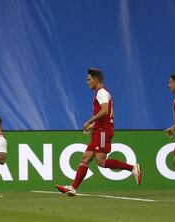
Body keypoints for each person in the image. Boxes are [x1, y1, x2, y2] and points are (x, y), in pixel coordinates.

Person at [56, 68, 141, 196]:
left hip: (102, 132)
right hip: (99, 129)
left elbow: (105, 110)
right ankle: (73, 188)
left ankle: (133, 168)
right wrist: (94, 126)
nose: (87, 82)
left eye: (89, 79)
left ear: (96, 80)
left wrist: (90, 122)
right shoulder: (102, 93)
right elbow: (109, 114)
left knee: (101, 162)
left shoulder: (101, 92)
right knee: (84, 159)